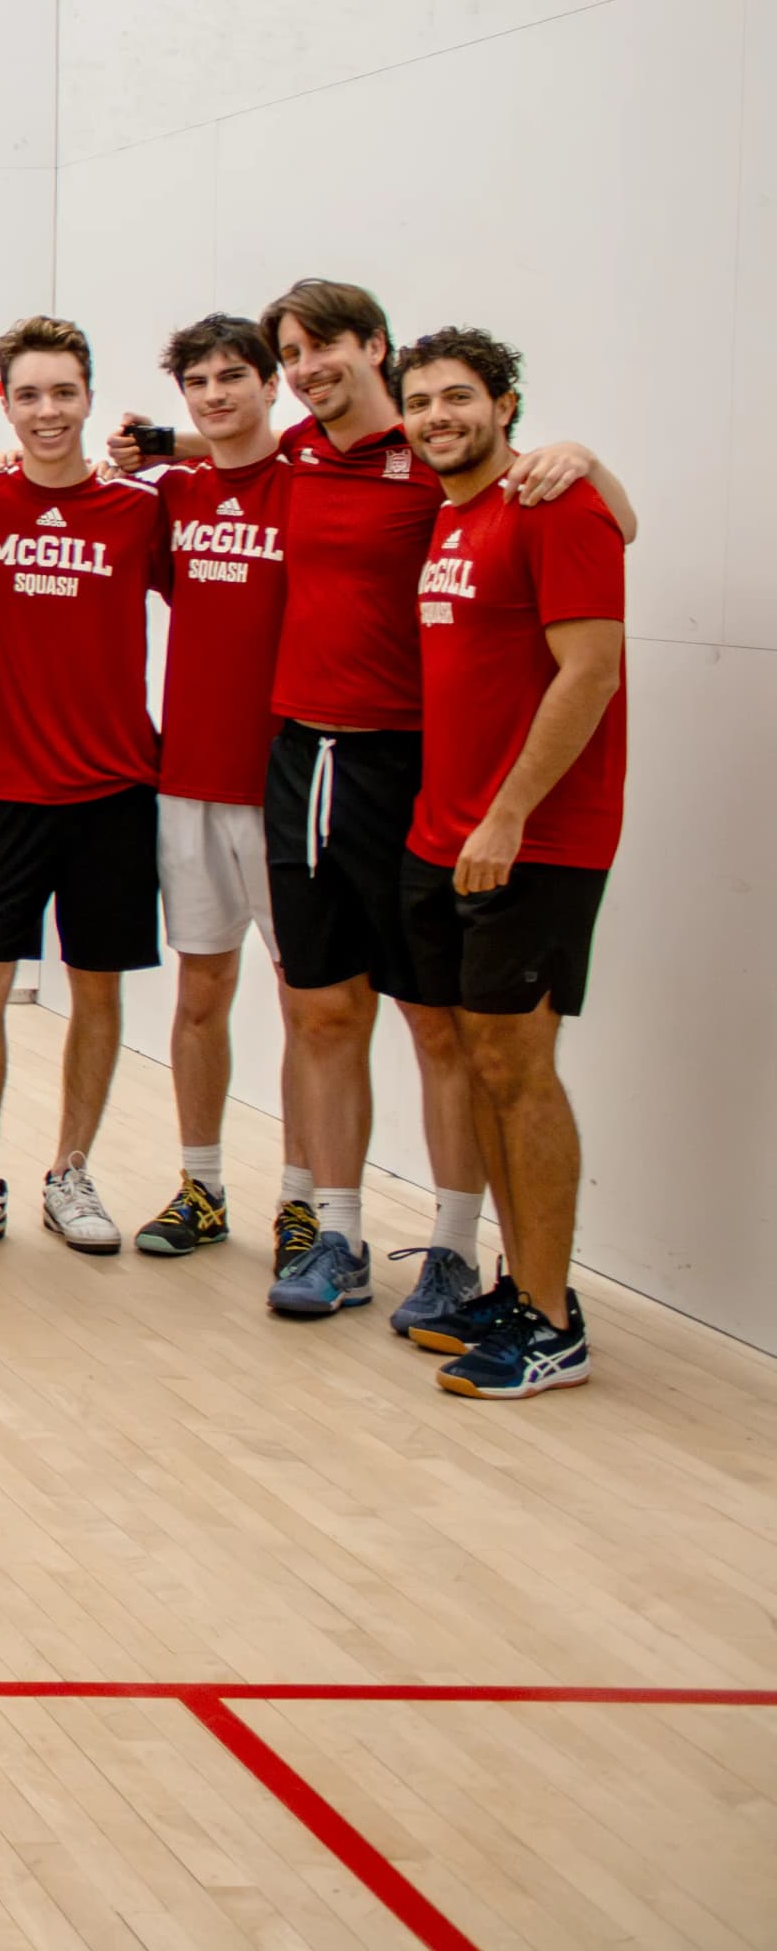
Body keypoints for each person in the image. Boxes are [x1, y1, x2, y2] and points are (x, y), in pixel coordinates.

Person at [249, 279, 633, 1328]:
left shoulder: (471, 474)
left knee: (449, 1030)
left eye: (329, 344)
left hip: (436, 781)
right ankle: (339, 1233)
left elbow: (598, 555)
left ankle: (466, 1257)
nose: (309, 364)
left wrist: (588, 455)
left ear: (376, 347)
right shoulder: (291, 456)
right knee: (324, 1009)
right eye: (291, 350)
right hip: (323, 769)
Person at [391, 329, 624, 1398]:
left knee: (520, 1069)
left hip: (530, 841)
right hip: (446, 836)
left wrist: (510, 815)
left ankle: (553, 1322)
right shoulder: (456, 513)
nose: (439, 415)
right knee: (480, 1060)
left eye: (459, 398)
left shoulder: (552, 504)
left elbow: (590, 672)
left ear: (506, 403)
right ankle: (522, 1292)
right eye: (423, 401)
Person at [0, 317, 168, 1257]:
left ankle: (72, 1172)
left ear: (90, 397)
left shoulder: (141, 511)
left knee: (95, 991)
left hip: (114, 794)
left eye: (64, 393)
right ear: (5, 403)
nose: (48, 411)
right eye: (29, 395)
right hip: (7, 794)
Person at [116, 315, 299, 1261]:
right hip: (185, 780)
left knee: (310, 1002)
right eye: (201, 383)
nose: (218, 394)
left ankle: (309, 1202)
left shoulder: (316, 475)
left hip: (289, 785)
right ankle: (203, 1187)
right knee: (200, 996)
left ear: (275, 383)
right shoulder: (172, 495)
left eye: (237, 376)